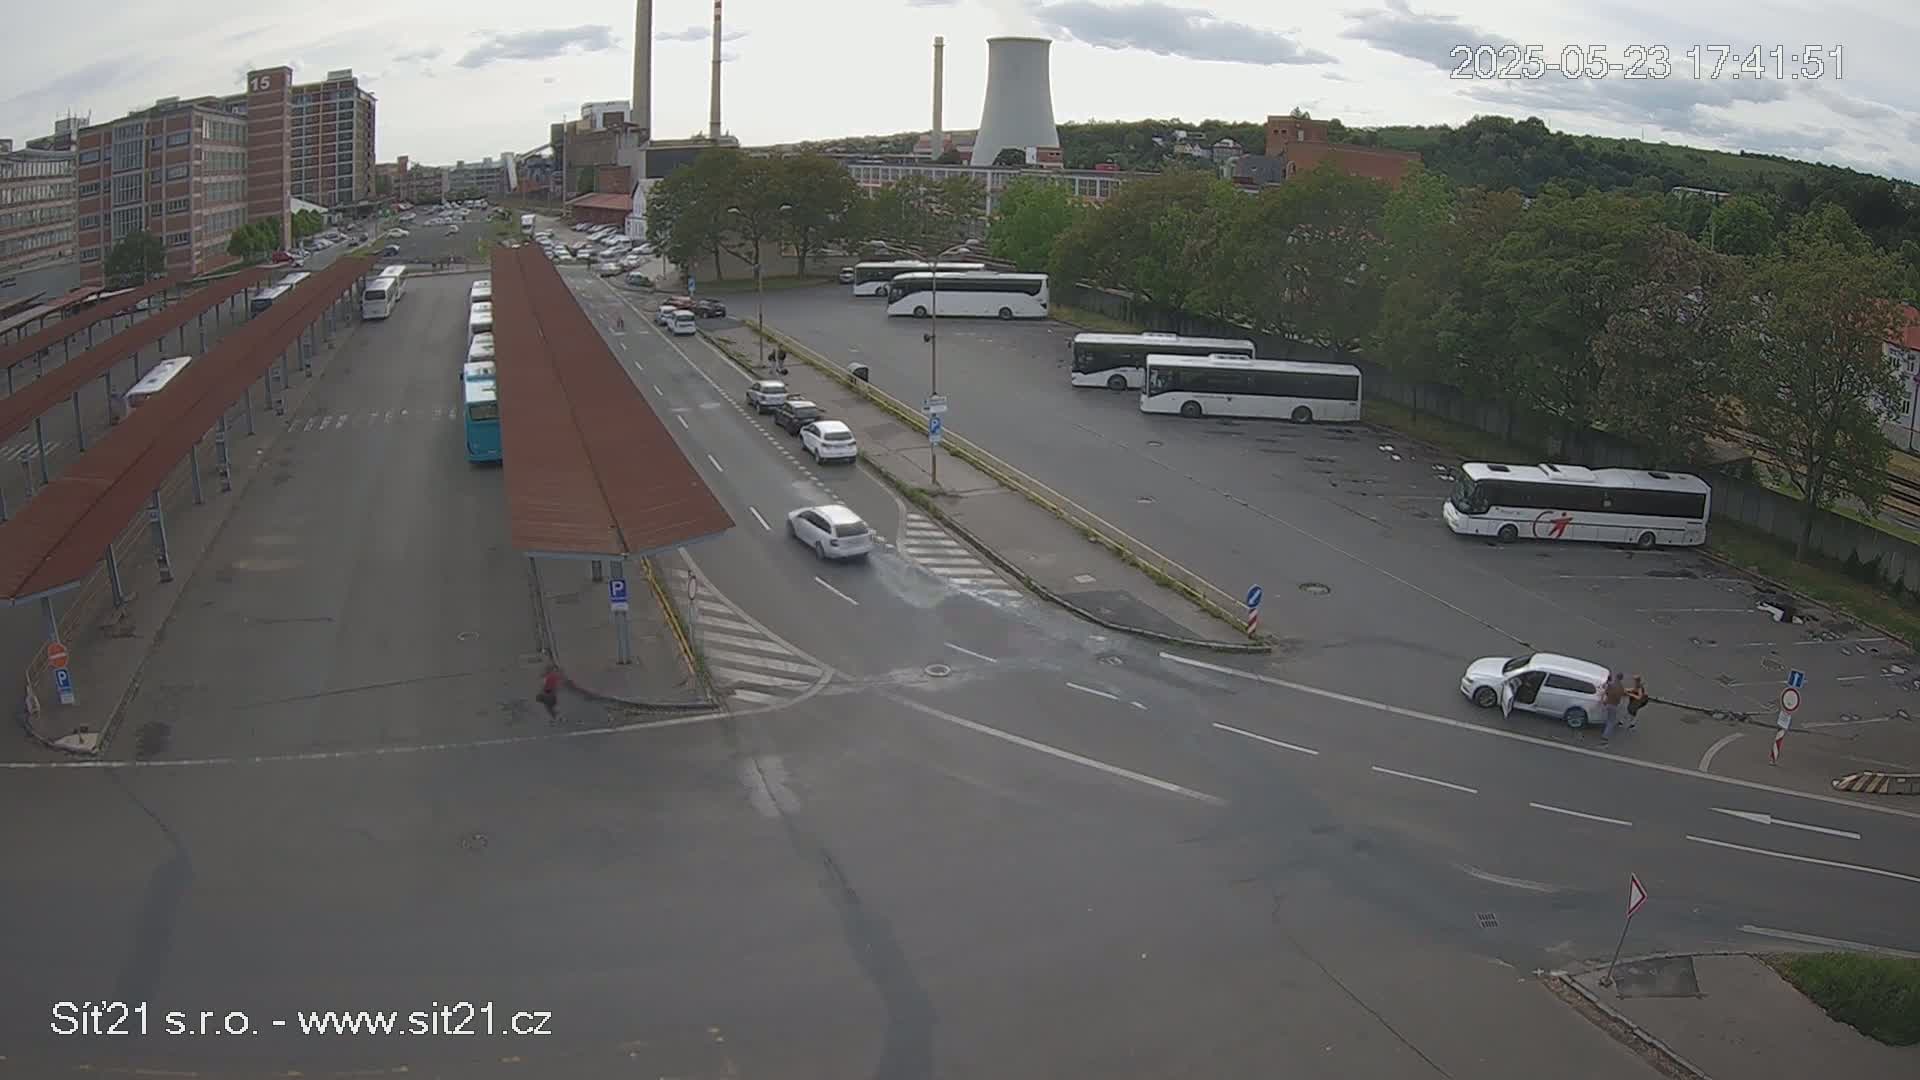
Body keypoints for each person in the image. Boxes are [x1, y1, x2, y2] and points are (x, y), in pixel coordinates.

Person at [1599, 671, 1627, 744]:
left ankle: (1602, 728)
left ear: (1616, 677)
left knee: (1606, 717)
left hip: (1607, 703)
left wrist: (1602, 701)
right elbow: (1622, 696)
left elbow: (1604, 692)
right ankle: (1605, 736)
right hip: (1614, 705)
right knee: (1611, 721)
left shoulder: (1611, 685)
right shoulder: (1621, 687)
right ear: (1621, 679)